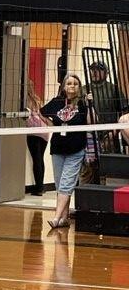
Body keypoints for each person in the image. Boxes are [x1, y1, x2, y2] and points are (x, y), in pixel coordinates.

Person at [40, 73, 90, 229]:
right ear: (64, 86)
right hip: (58, 148)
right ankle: (64, 217)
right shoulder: (57, 102)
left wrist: (92, 104)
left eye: (75, 83)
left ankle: (56, 218)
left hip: (76, 148)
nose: (72, 86)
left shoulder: (82, 103)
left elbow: (90, 122)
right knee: (60, 183)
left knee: (66, 184)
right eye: (69, 83)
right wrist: (51, 126)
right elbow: (42, 112)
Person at [26, 81, 50, 196]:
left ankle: (38, 188)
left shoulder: (24, 100)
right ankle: (41, 186)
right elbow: (43, 115)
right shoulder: (37, 99)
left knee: (36, 159)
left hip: (33, 132)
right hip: (44, 131)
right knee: (40, 158)